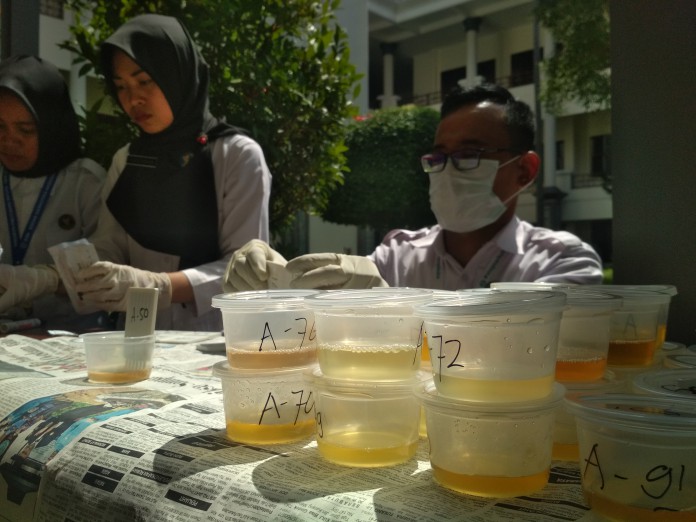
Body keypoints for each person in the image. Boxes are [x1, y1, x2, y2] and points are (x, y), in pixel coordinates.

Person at [224, 83, 602, 292]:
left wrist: (390, 306)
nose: (447, 171)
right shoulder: (398, 255)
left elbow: (524, 344)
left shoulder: (564, 262)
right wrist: (272, 277)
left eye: (468, 154)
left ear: (524, 170)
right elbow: (325, 303)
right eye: (438, 157)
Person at [74, 14, 271, 330]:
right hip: (138, 335)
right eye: (121, 86)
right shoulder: (127, 160)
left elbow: (248, 269)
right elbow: (109, 247)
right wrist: (57, 276)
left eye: (144, 81)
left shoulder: (236, 156)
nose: (133, 99)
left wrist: (160, 286)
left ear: (177, 74)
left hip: (214, 338)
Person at [0, 55, 106, 325]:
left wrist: (42, 281)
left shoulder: (85, 181)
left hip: (73, 335)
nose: (9, 141)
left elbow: (109, 267)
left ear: (52, 127)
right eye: (0, 127)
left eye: (25, 130)